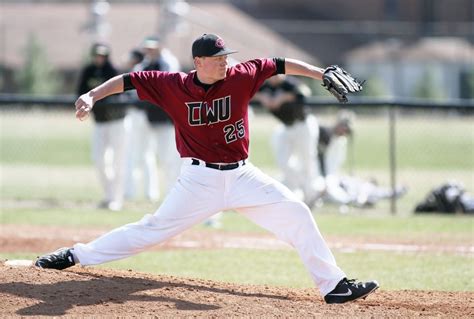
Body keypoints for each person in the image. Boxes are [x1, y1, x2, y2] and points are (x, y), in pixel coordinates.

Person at [35, 33, 379, 304]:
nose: (225, 63)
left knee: (297, 213)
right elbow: (127, 79)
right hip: (198, 180)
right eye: (217, 59)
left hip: (243, 176)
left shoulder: (241, 76)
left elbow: (278, 64)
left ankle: (334, 286)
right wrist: (92, 95)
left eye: (226, 57)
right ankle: (75, 254)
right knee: (150, 230)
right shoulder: (173, 85)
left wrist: (322, 73)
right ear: (198, 61)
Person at [124, 36, 181, 202]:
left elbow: (169, 83)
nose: (150, 51)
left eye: (153, 48)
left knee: (168, 158)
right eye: (147, 48)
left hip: (165, 118)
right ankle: (150, 193)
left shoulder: (168, 62)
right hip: (146, 115)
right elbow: (133, 86)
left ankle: (173, 194)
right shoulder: (143, 65)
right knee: (143, 155)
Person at [253, 75, 324, 207]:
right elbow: (249, 92)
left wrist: (284, 97)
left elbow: (305, 92)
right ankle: (299, 189)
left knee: (307, 160)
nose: (273, 76)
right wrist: (261, 97)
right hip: (285, 127)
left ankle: (311, 195)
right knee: (283, 161)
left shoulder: (289, 83)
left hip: (303, 124)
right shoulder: (265, 86)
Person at [318, 110, 406, 207]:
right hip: (323, 181)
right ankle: (359, 201)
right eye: (344, 127)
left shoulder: (341, 141)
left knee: (360, 186)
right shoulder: (325, 136)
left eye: (347, 130)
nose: (345, 132)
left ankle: (389, 193)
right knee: (345, 193)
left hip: (335, 179)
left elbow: (335, 166)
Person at [77, 43, 126, 211]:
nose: (99, 58)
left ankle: (116, 199)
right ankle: (108, 195)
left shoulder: (112, 70)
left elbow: (121, 93)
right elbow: (81, 92)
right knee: (98, 159)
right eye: (97, 55)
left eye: (103, 55)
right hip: (99, 122)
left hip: (117, 122)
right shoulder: (88, 71)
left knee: (117, 161)